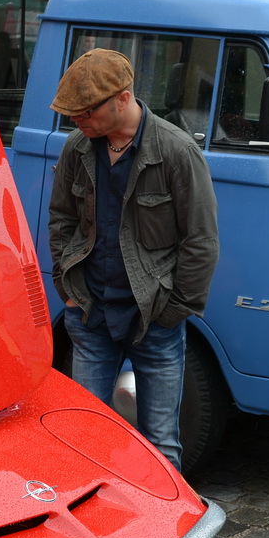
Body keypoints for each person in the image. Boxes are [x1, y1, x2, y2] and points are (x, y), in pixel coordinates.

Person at [47, 48, 220, 470]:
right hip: (90, 315)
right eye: (73, 114)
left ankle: (164, 531)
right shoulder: (78, 147)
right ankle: (92, 528)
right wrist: (68, 291)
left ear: (122, 99)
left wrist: (174, 310)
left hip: (153, 320)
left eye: (86, 112)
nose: (77, 121)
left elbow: (201, 240)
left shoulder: (177, 152)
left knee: (162, 443)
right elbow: (61, 219)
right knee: (85, 437)